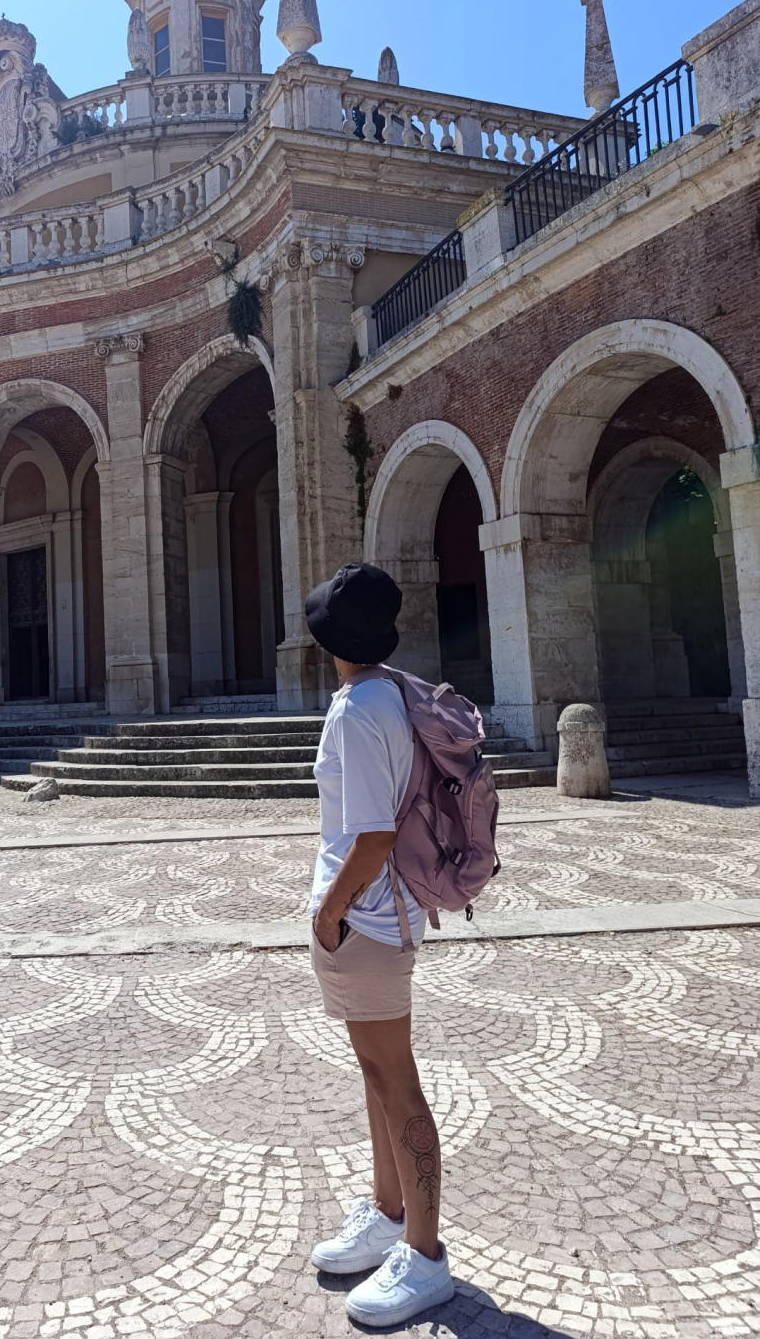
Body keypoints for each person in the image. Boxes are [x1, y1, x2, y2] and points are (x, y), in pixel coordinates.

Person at [304, 562, 454, 1328]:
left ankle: (424, 1255)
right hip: (383, 913)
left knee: (397, 1082)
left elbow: (371, 837)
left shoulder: (356, 710)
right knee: (377, 1073)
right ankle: (389, 1212)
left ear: (330, 639)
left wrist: (329, 913)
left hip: (365, 918)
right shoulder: (390, 692)